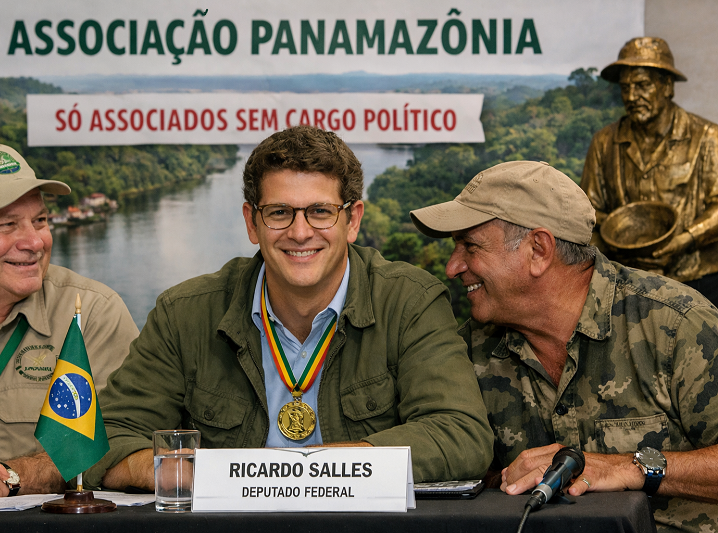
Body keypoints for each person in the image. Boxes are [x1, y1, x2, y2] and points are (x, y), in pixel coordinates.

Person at [85, 125, 493, 490]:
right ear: (252, 222)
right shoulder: (183, 314)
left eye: (320, 212)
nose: (300, 233)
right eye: (279, 213)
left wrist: (303, 471)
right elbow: (104, 439)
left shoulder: (410, 302)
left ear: (352, 221)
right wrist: (185, 473)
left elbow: (461, 435)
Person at [411, 160, 718, 533]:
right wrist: (500, 479)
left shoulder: (676, 325)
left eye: (470, 246)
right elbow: (446, 474)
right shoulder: (467, 350)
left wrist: (628, 467)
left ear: (538, 250)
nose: (452, 267)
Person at [0, 143, 138, 502]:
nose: (36, 241)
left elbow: (119, 441)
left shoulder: (92, 314)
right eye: (7, 225)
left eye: (40, 220)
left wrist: (9, 478)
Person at [581, 36, 718, 303]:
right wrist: (614, 234)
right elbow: (587, 213)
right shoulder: (604, 143)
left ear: (667, 86)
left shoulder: (708, 138)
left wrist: (685, 240)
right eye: (625, 88)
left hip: (699, 282)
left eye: (643, 85)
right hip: (627, 284)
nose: (632, 97)